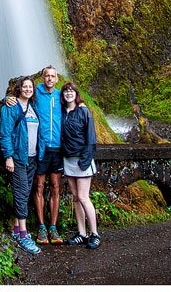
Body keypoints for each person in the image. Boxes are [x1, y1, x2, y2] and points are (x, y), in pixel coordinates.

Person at [6, 65, 63, 245]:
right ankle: (31, 231)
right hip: (30, 152)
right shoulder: (33, 94)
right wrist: (7, 99)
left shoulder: (57, 96)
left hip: (50, 150)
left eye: (53, 76)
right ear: (43, 78)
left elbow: (74, 100)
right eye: (47, 76)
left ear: (57, 78)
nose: (50, 79)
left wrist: (82, 103)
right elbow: (18, 101)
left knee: (50, 186)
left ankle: (48, 228)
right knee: (31, 188)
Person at [0, 76, 41, 254]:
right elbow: (5, 133)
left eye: (30, 87)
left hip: (32, 157)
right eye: (24, 87)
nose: (27, 89)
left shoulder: (32, 108)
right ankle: (24, 235)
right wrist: (8, 157)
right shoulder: (10, 107)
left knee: (24, 193)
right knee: (21, 192)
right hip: (18, 157)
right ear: (19, 89)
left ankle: (16, 230)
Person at [60, 81, 101, 249]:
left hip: (82, 160)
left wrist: (85, 160)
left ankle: (95, 234)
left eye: (71, 91)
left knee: (84, 197)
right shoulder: (62, 112)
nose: (69, 94)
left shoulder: (84, 111)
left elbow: (91, 139)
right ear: (62, 95)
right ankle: (81, 233)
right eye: (66, 92)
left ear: (76, 94)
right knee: (76, 198)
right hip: (68, 159)